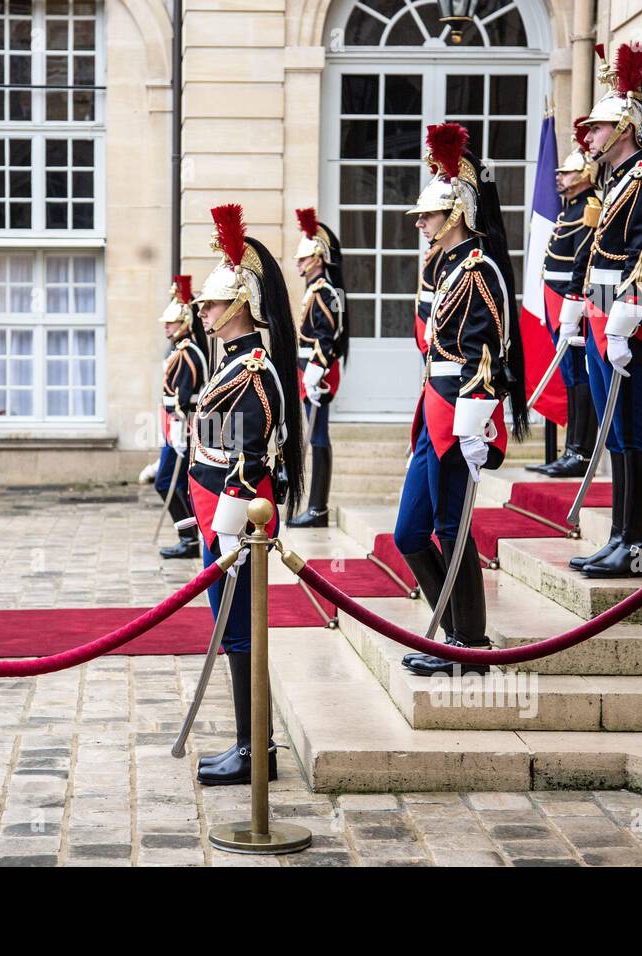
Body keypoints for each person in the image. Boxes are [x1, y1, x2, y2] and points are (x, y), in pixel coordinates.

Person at [396, 123, 530, 677]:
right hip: (434, 408)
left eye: (428, 215)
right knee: (409, 532)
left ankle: (467, 644)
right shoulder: (445, 265)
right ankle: (451, 631)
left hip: (459, 415)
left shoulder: (478, 269)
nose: (421, 223)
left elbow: (488, 355)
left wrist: (476, 424)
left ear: (454, 216)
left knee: (452, 528)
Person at [187, 204, 305, 786]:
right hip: (222, 517)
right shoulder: (231, 361)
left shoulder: (253, 368)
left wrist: (230, 524)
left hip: (240, 519)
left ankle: (255, 751)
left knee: (240, 635)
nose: (202, 310)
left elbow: (250, 457)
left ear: (237, 307)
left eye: (210, 303)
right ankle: (248, 745)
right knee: (233, 634)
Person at [571, 42, 642, 579]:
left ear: (625, 129)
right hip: (602, 318)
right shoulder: (617, 182)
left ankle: (638, 544)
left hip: (627, 324)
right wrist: (581, 308)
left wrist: (621, 324)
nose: (588, 136)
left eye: (596, 128)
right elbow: (601, 257)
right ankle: (618, 535)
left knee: (633, 433)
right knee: (613, 433)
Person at [528, 120, 601, 479]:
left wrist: (574, 296)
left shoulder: (590, 206)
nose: (559, 178)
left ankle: (581, 451)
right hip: (558, 299)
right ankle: (570, 447)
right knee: (570, 377)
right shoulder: (567, 208)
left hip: (573, 302)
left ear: (586, 173)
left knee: (579, 377)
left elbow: (584, 257)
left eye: (567, 173)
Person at [289, 208, 350, 528]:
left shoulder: (324, 292)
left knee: (319, 437)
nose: (298, 264)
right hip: (308, 372)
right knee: (315, 437)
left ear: (318, 258)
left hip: (318, 375)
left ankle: (318, 508)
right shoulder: (315, 290)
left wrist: (316, 371)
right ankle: (316, 507)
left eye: (303, 258)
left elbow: (327, 338)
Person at [154, 275, 209, 559]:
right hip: (176, 427)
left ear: (185, 322)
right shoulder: (181, 349)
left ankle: (189, 539)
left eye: (172, 322)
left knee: (166, 483)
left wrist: (177, 427)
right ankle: (188, 538)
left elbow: (182, 397)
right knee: (175, 485)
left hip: (182, 428)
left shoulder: (188, 352)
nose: (167, 325)